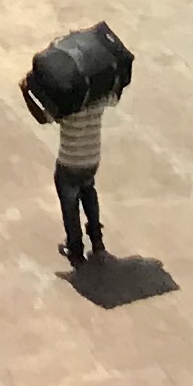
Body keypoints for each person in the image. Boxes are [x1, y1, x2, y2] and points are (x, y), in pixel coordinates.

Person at [51, 82, 111, 266]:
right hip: (91, 160)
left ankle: (75, 249)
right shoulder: (98, 102)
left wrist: (26, 91)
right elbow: (114, 95)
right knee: (88, 191)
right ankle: (96, 238)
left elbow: (44, 116)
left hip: (69, 163)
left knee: (70, 206)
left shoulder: (67, 108)